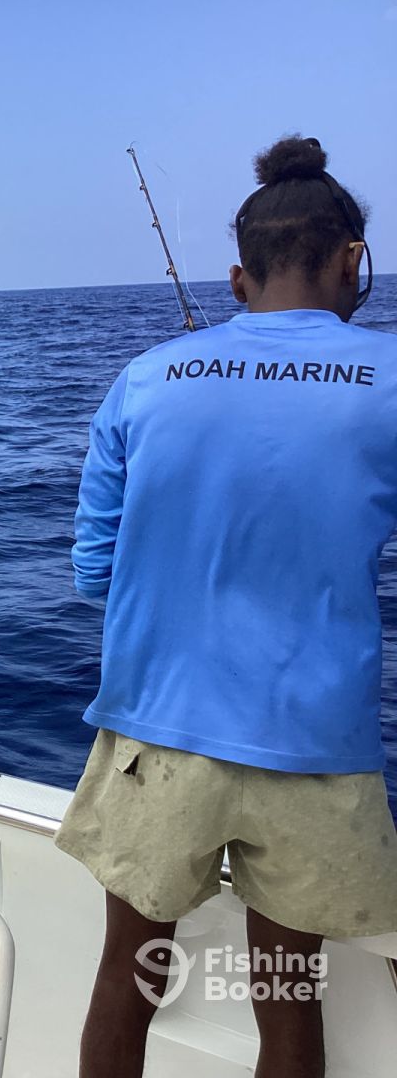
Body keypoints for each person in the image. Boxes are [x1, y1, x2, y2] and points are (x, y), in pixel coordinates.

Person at [57, 135, 397, 1078]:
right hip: (316, 747)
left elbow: (94, 572)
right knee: (289, 994)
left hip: (157, 734)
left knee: (128, 977)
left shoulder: (145, 378)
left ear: (238, 278)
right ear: (352, 262)